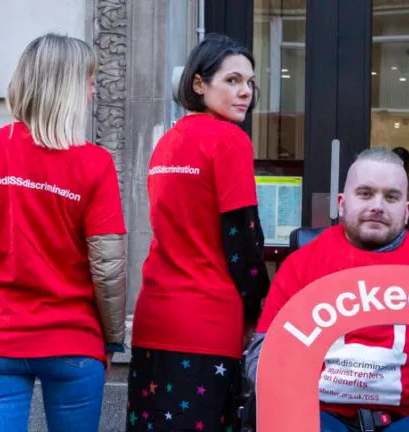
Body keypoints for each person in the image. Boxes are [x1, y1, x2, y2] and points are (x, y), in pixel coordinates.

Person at [0, 33, 127, 432]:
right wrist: (112, 340)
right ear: (65, 87)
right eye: (90, 81)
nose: (94, 92)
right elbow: (108, 266)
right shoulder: (95, 163)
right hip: (73, 341)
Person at [245, 148, 409, 432]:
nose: (377, 205)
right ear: (342, 203)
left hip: (408, 421)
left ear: (407, 210)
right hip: (320, 415)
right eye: (365, 194)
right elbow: (263, 355)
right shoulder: (302, 265)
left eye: (391, 197)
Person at [128, 34, 270, 432]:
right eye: (233, 80)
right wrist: (258, 311)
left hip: (154, 317)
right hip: (208, 323)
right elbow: (243, 239)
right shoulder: (230, 140)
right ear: (198, 84)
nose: (245, 92)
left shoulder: (166, 142)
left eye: (250, 83)